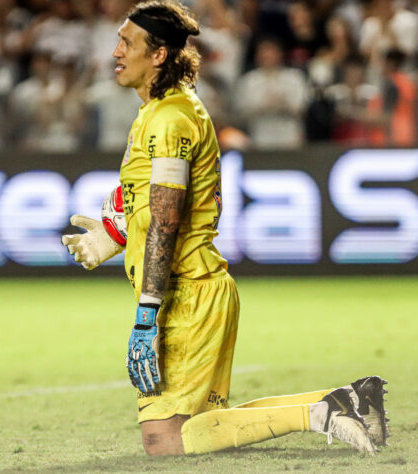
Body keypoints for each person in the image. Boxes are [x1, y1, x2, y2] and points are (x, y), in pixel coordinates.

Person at [62, 1, 388, 457]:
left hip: (186, 297)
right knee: (199, 430)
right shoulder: (161, 111)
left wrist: (146, 315)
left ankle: (323, 412)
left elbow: (166, 218)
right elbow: (151, 208)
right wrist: (113, 237)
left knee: (167, 442)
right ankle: (345, 402)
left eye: (126, 42)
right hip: (199, 291)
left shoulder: (170, 119)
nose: (114, 51)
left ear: (158, 55)